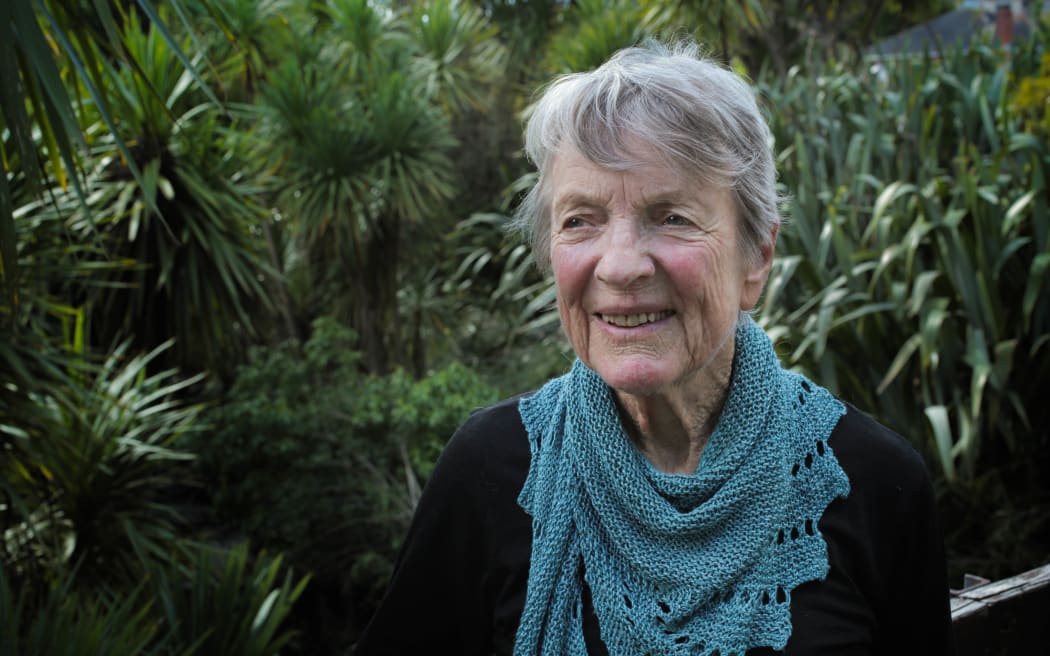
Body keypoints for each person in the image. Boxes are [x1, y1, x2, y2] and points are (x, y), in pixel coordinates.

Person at [353, 40, 955, 656]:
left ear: (758, 257)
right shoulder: (488, 472)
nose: (618, 266)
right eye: (579, 220)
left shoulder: (876, 485)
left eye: (671, 217)